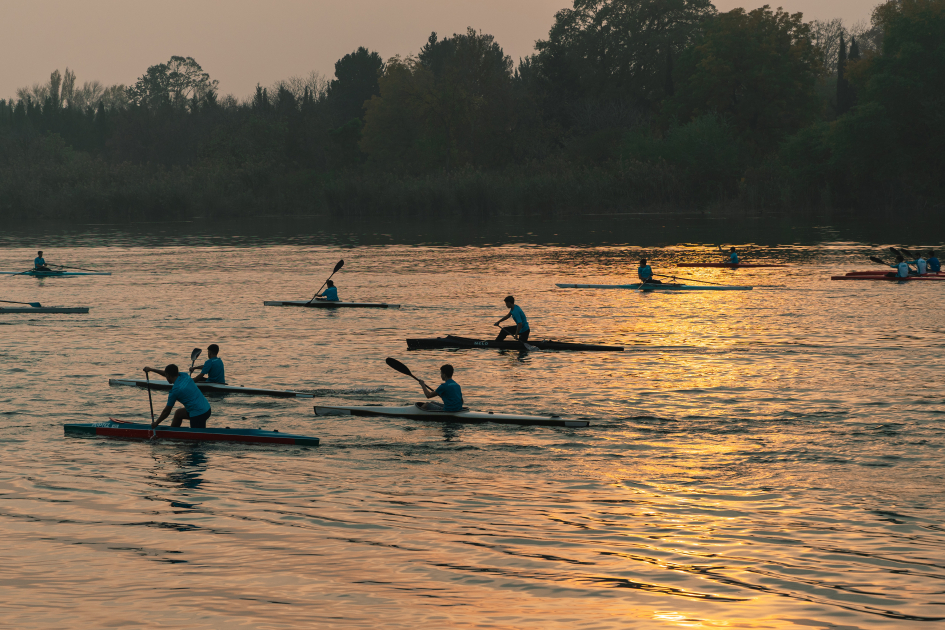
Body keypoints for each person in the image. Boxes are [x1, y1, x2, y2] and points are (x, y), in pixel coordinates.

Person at [143, 364, 212, 428]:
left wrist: (156, 423)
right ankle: (172, 433)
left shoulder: (175, 391)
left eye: (166, 376)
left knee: (195, 440)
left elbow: (166, 411)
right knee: (178, 413)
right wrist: (151, 369)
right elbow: (166, 373)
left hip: (199, 414)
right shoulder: (184, 375)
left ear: (168, 375)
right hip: (207, 408)